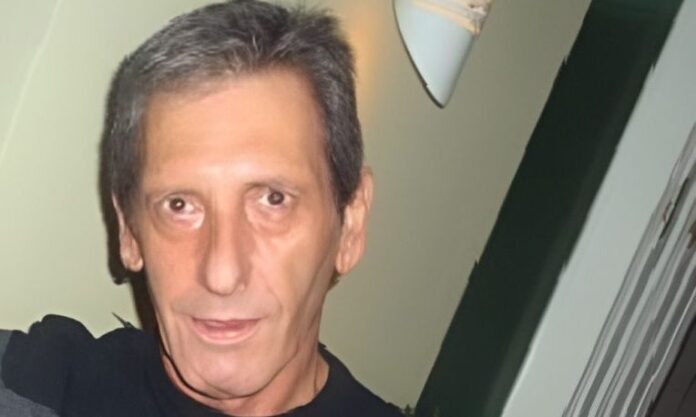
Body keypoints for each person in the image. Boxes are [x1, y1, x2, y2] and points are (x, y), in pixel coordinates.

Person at [0, 1, 402, 416]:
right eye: (179, 205)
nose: (222, 274)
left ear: (350, 224)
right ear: (129, 232)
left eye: (273, 199)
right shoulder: (36, 388)